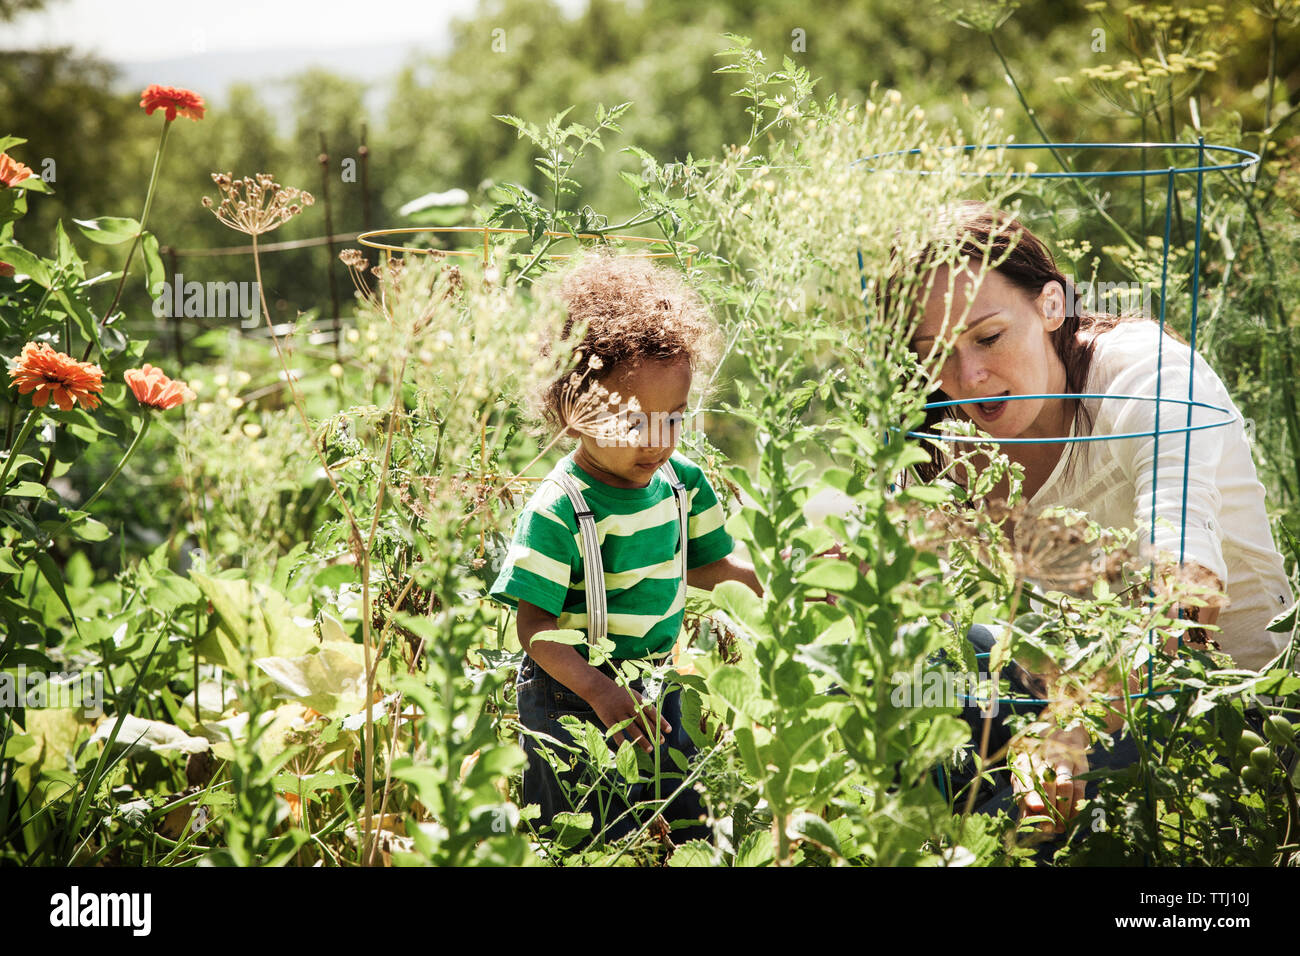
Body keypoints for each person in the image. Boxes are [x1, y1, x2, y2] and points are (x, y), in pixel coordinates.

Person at [902, 201, 1295, 835]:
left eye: (989, 337)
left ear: (1051, 305)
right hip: (1065, 695)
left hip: (1220, 710)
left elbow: (1188, 590)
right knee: (920, 670)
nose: (969, 378)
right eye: (935, 352)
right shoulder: (947, 441)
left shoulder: (1146, 375)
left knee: (1010, 831)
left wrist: (1066, 731)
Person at [489, 254, 761, 848]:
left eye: (675, 418)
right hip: (569, 694)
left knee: (682, 823)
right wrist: (599, 691)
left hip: (655, 684)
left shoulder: (682, 483)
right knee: (578, 832)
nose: (660, 441)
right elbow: (533, 627)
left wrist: (790, 581)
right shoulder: (559, 507)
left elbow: (711, 567)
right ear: (573, 408)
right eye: (636, 423)